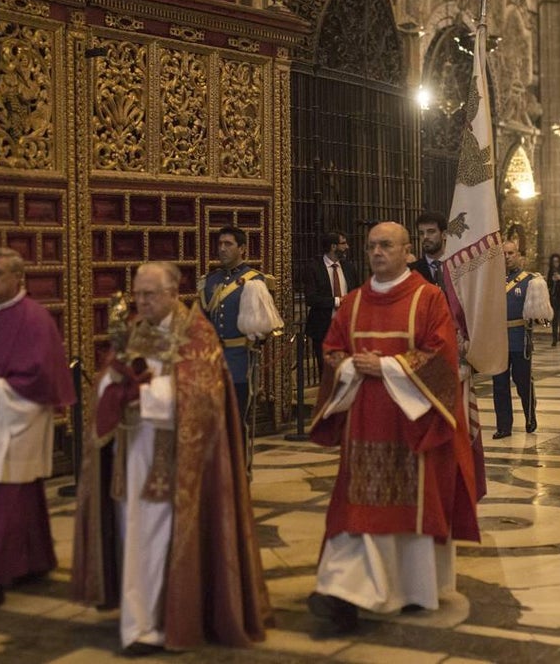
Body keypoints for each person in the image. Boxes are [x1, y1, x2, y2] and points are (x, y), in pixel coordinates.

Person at [72, 262, 271, 655]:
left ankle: (161, 622)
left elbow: (202, 397)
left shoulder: (196, 333)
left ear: (171, 293)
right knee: (133, 535)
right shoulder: (133, 332)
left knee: (157, 537)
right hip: (132, 452)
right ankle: (139, 619)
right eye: (137, 294)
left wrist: (143, 395)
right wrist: (113, 387)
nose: (141, 302)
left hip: (176, 458)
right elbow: (106, 378)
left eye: (149, 295)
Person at [308, 222, 480, 633]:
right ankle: (345, 592)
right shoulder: (350, 303)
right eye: (370, 246)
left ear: (407, 251)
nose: (377, 252)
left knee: (409, 510)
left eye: (386, 245)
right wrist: (353, 365)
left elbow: (441, 355)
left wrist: (385, 366)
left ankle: (410, 589)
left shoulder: (428, 298)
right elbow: (332, 350)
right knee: (356, 510)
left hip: (412, 428)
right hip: (364, 425)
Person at [0, 248, 75, 617]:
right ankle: (33, 561)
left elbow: (39, 375)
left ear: (18, 277)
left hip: (20, 419)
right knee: (20, 495)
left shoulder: (35, 320)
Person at [198, 226, 283, 431]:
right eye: (220, 244)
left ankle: (239, 463)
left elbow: (263, 328)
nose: (222, 249)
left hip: (239, 363)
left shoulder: (254, 280)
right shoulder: (209, 281)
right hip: (212, 364)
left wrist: (257, 337)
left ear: (242, 248)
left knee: (235, 424)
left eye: (228, 244)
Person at [492, 241, 552, 438]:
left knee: (523, 382)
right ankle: (503, 426)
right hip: (499, 340)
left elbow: (541, 315)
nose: (507, 257)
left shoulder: (529, 281)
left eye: (511, 253)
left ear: (519, 255)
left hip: (520, 340)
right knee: (500, 385)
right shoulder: (491, 281)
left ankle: (530, 418)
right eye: (504, 254)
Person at [304, 231, 358, 371]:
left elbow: (356, 292)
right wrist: (337, 301)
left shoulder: (349, 267)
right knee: (326, 371)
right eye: (343, 243)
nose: (347, 246)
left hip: (347, 327)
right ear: (333, 246)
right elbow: (311, 298)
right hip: (323, 328)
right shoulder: (314, 268)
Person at [411, 210, 449, 289]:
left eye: (431, 232)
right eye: (421, 233)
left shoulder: (458, 266)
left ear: (444, 235)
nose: (425, 237)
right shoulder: (411, 271)